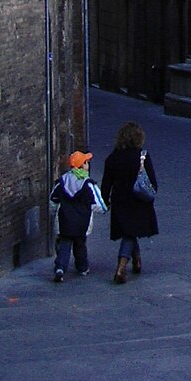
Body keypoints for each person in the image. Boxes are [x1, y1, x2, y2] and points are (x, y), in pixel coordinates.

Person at [101, 120, 158, 284]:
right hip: (138, 200)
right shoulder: (142, 156)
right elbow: (152, 180)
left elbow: (106, 183)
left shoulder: (112, 158)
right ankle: (121, 266)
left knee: (129, 231)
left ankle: (137, 261)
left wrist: (105, 200)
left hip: (120, 199)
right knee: (131, 232)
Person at [50, 149, 105, 281]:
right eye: (87, 162)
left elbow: (53, 200)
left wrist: (54, 213)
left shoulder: (62, 182)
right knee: (80, 245)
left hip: (64, 220)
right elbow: (98, 204)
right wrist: (103, 209)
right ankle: (82, 268)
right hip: (82, 222)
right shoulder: (88, 184)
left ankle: (60, 268)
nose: (88, 165)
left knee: (65, 244)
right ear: (83, 165)